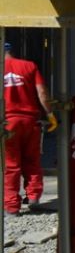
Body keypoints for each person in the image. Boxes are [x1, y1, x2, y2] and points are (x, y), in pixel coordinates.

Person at [3, 43, 55, 214]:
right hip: (30, 121)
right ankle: (33, 197)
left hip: (7, 122)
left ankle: (11, 206)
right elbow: (42, 93)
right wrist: (50, 114)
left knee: (11, 165)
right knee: (32, 160)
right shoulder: (29, 66)